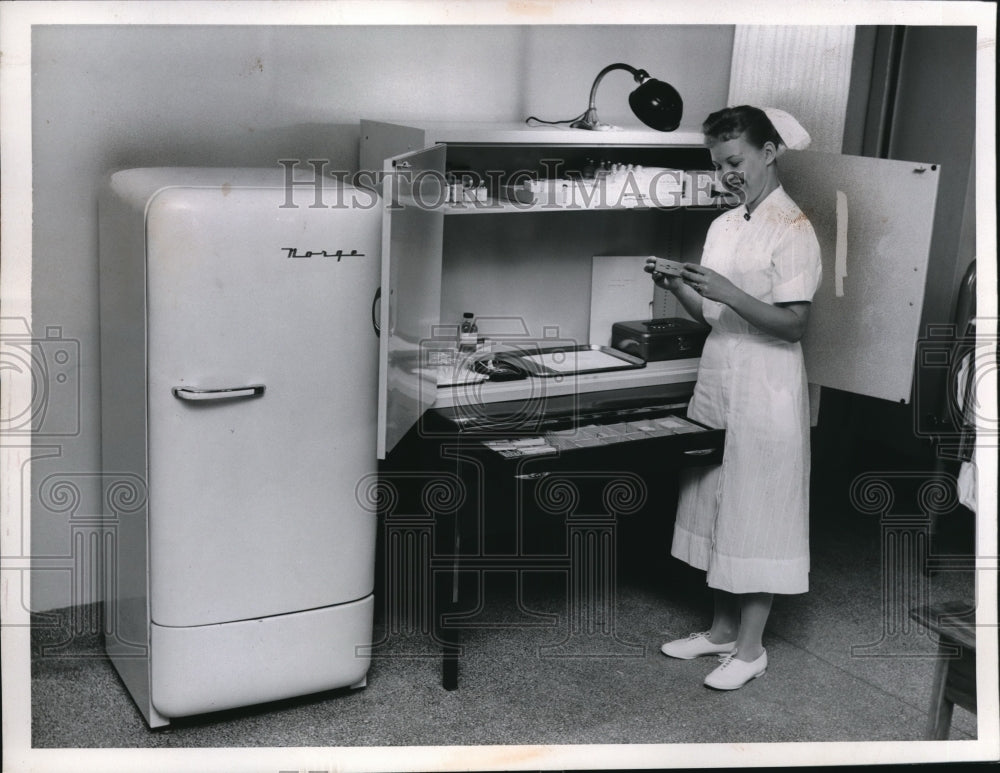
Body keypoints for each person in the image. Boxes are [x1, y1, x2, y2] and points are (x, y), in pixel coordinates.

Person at [645, 105, 821, 690]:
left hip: (768, 382)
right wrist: (680, 286)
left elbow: (794, 324)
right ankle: (721, 631)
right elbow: (713, 314)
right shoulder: (724, 225)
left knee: (756, 508)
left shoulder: (793, 228)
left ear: (768, 153)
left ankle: (751, 649)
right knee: (715, 497)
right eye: (718, 164)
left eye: (735, 161)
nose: (727, 174)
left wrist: (727, 290)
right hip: (721, 373)